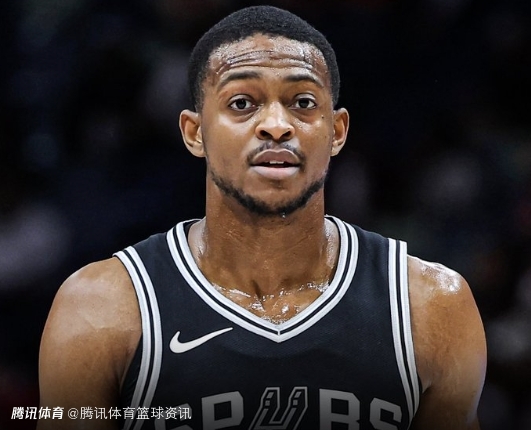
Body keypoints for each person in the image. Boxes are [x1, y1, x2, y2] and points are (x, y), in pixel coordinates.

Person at [37, 5, 487, 430]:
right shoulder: (100, 308)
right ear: (195, 132)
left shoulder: (432, 306)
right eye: (241, 103)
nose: (276, 124)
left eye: (303, 102)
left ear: (337, 132)